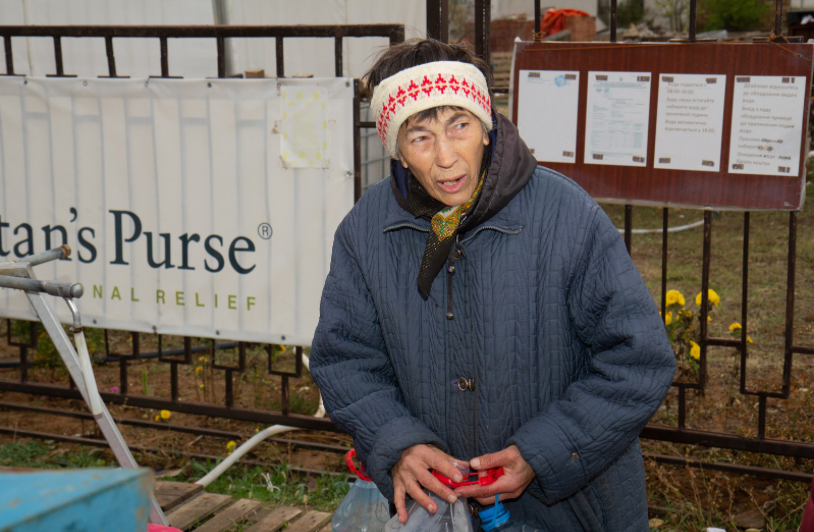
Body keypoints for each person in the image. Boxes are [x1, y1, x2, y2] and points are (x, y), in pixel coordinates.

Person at [310, 38, 676, 531]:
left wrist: (542, 453)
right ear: (395, 149)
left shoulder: (567, 216)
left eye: (458, 126)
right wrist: (396, 443)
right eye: (419, 136)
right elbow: (346, 359)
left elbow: (638, 359)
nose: (445, 157)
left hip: (573, 513)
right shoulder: (365, 232)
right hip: (441, 512)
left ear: (486, 128)